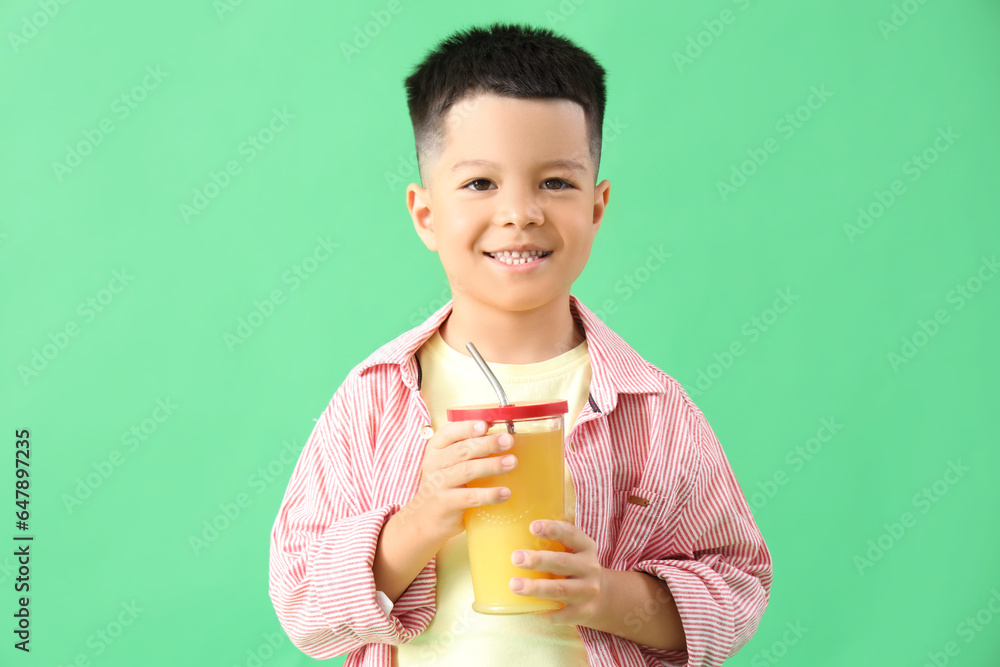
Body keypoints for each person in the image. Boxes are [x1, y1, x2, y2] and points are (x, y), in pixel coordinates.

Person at [269, 21, 771, 666]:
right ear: (426, 214)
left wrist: (608, 598)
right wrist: (420, 521)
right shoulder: (375, 401)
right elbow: (303, 603)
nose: (520, 213)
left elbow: (737, 585)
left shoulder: (652, 409)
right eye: (480, 183)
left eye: (556, 183)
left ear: (596, 205)